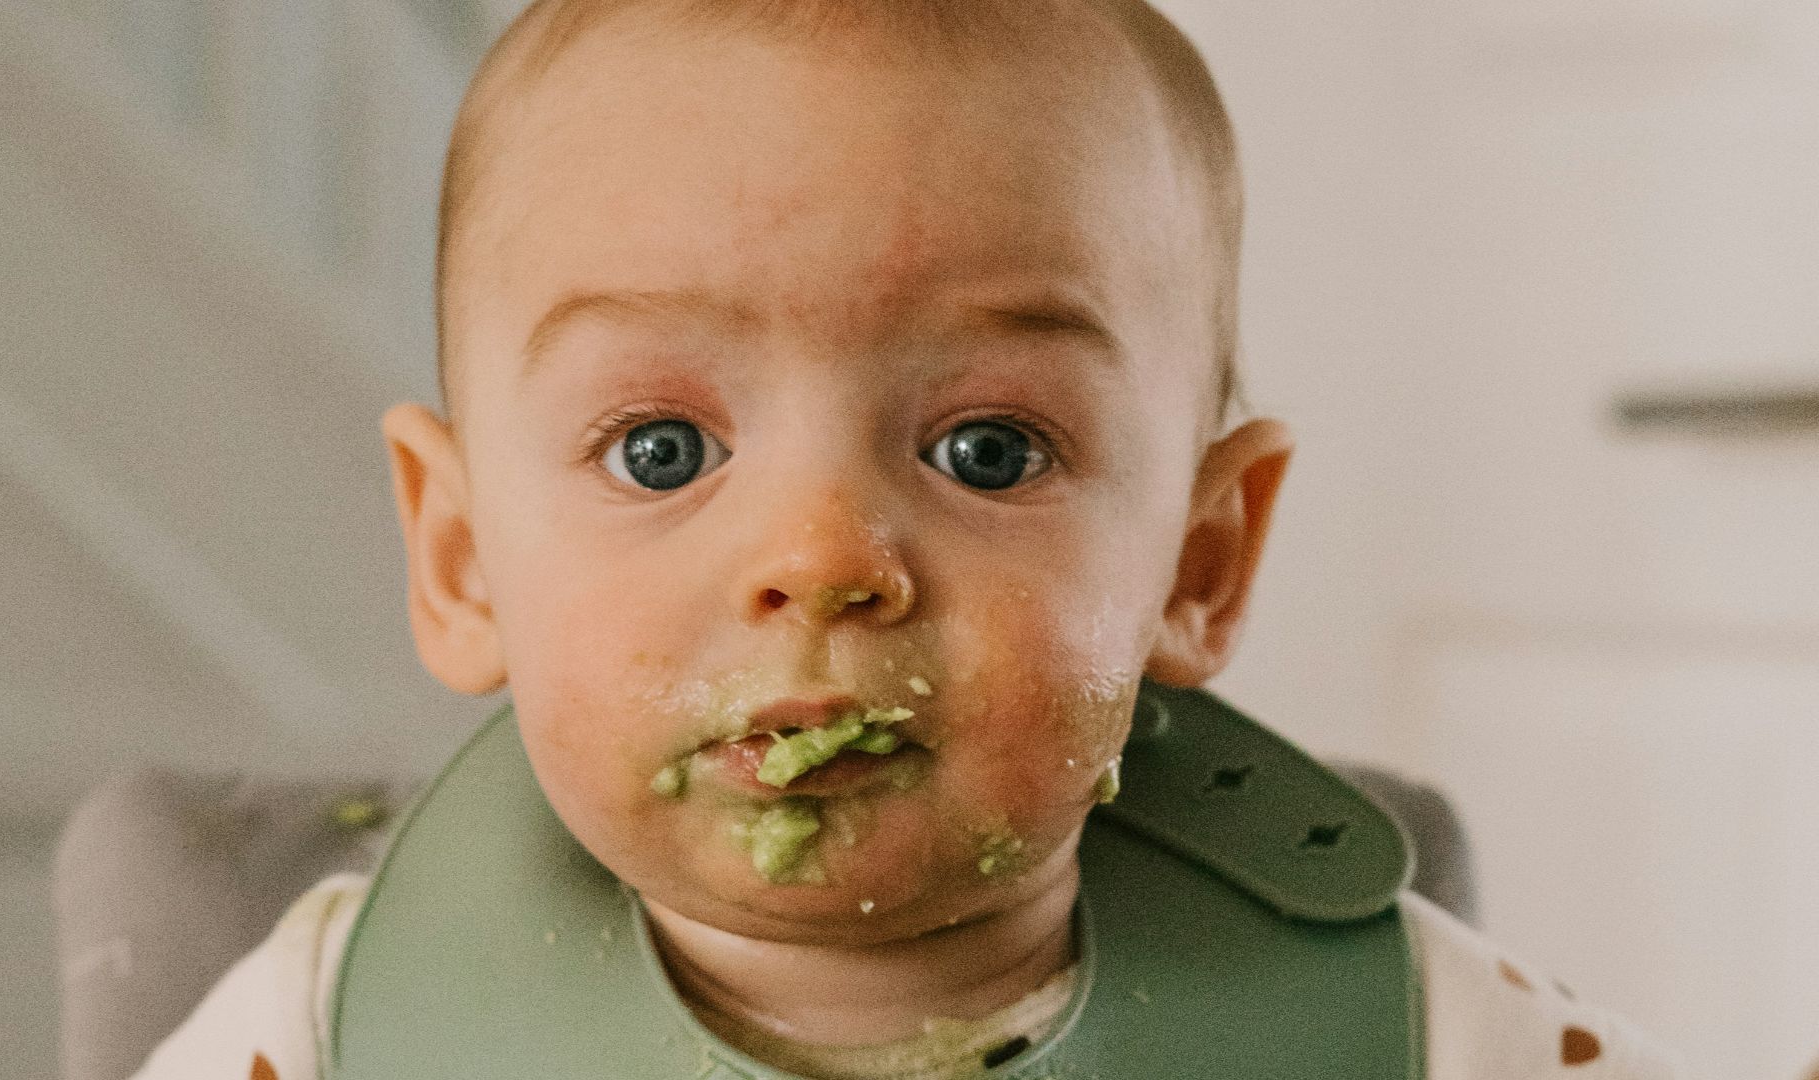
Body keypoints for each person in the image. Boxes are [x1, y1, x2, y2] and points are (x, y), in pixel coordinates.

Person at [130, 1, 1690, 1077]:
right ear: (462, 561)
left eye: (988, 449)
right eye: (661, 451)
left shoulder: (1421, 1034)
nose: (820, 558)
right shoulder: (339, 1025)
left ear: (1197, 566)